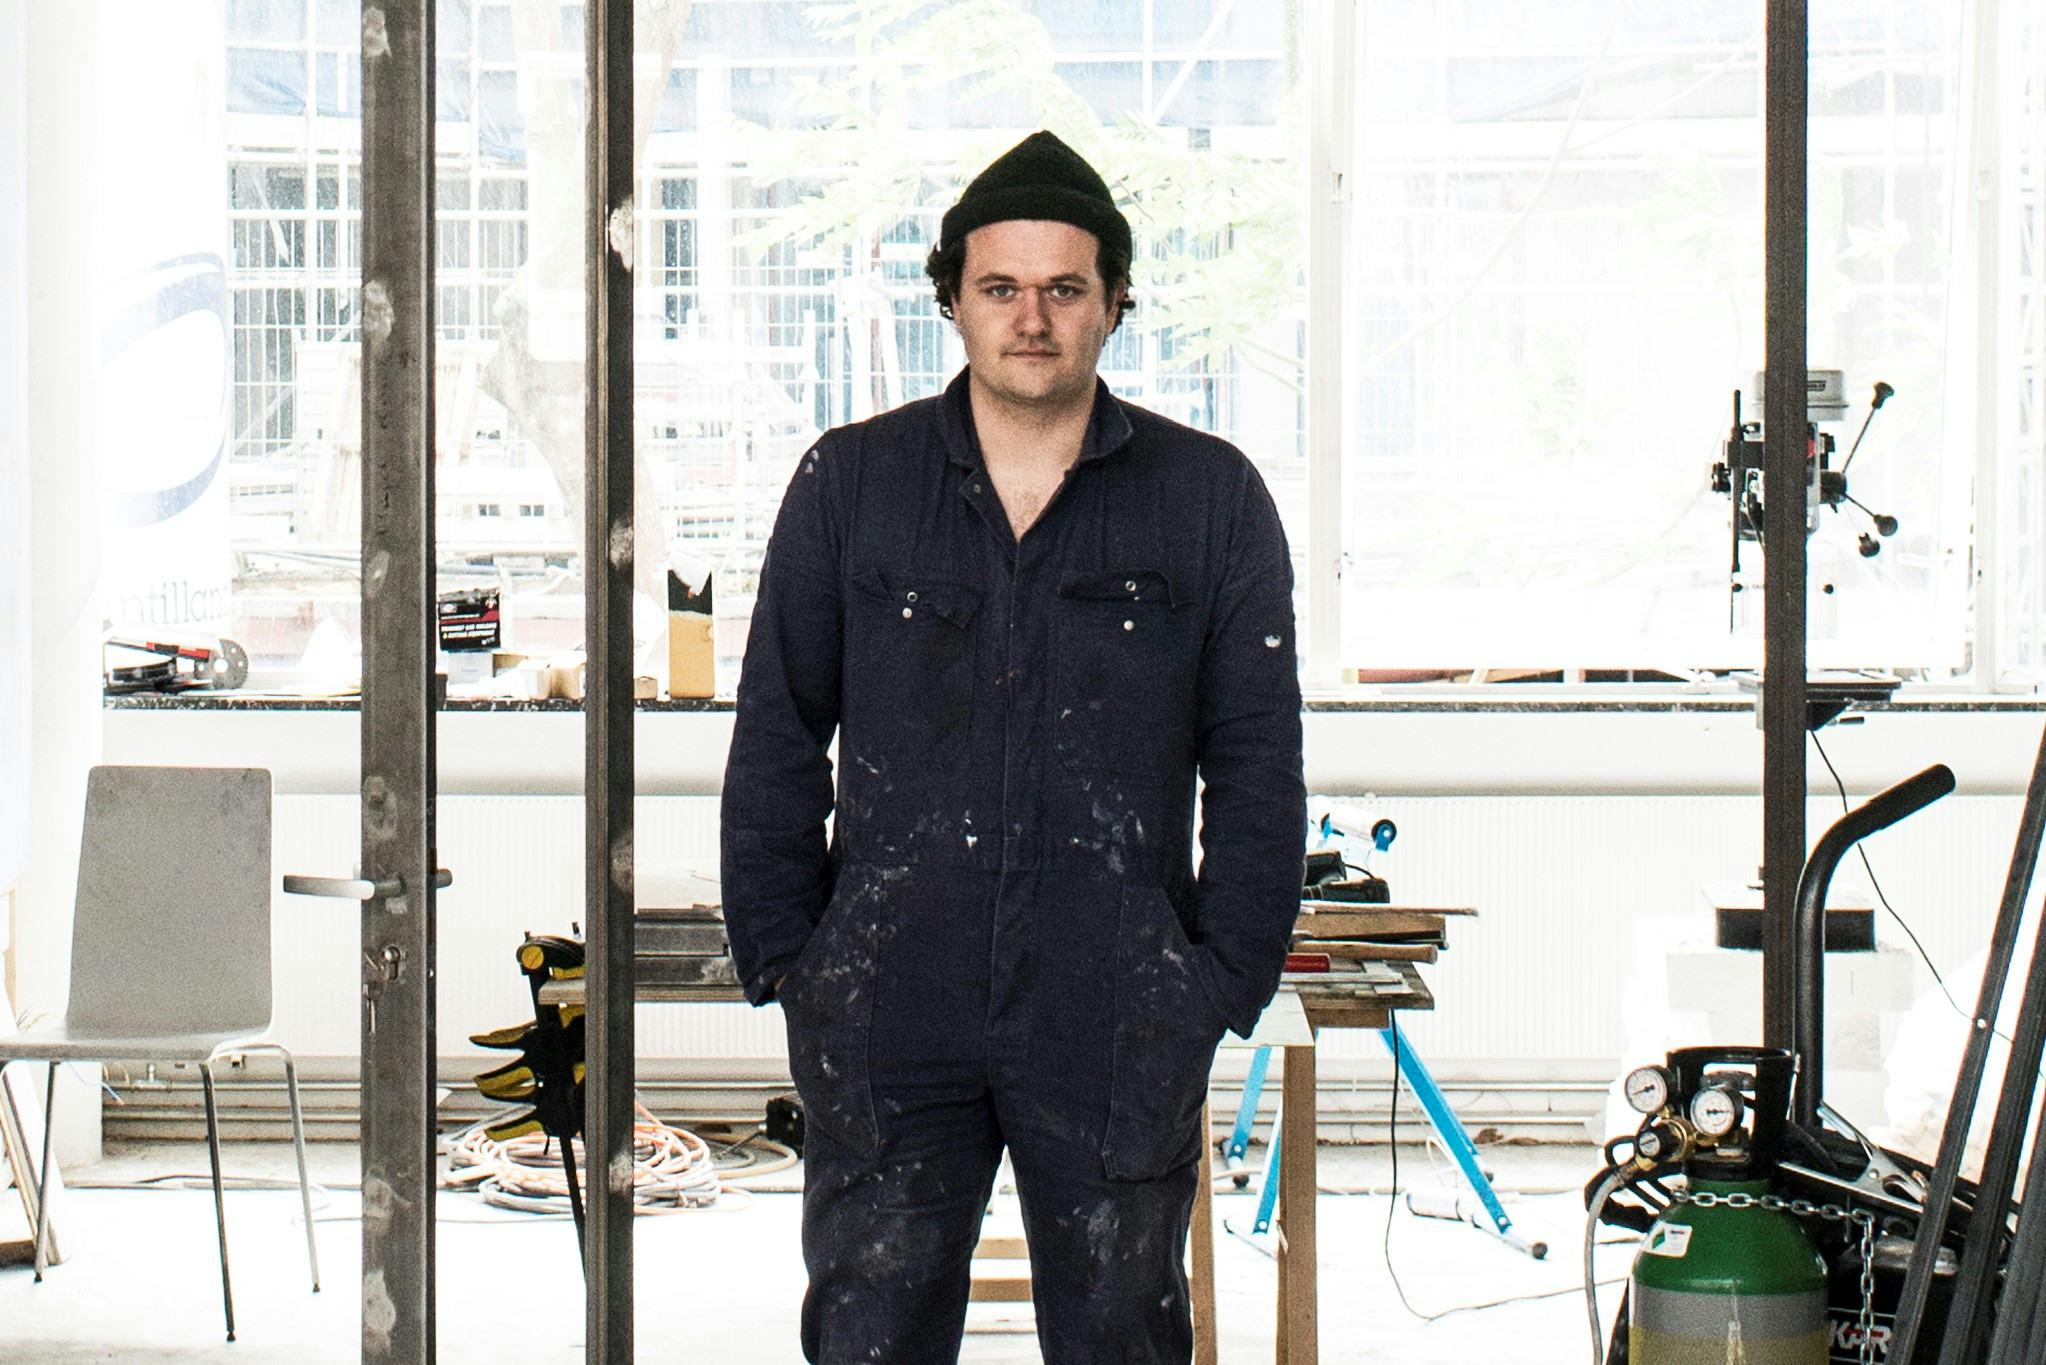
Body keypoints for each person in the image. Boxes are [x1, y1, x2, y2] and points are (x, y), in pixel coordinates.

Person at [721, 129, 1305, 1365]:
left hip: (1116, 1007)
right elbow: (777, 731)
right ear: (952, 299)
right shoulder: (851, 485)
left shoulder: (1209, 500)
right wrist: (794, 961)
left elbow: (1258, 762)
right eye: (1000, 288)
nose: (1030, 319)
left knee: (1120, 1335)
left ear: (1115, 302)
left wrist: (1216, 981)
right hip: (888, 996)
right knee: (871, 1333)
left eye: (1063, 289)